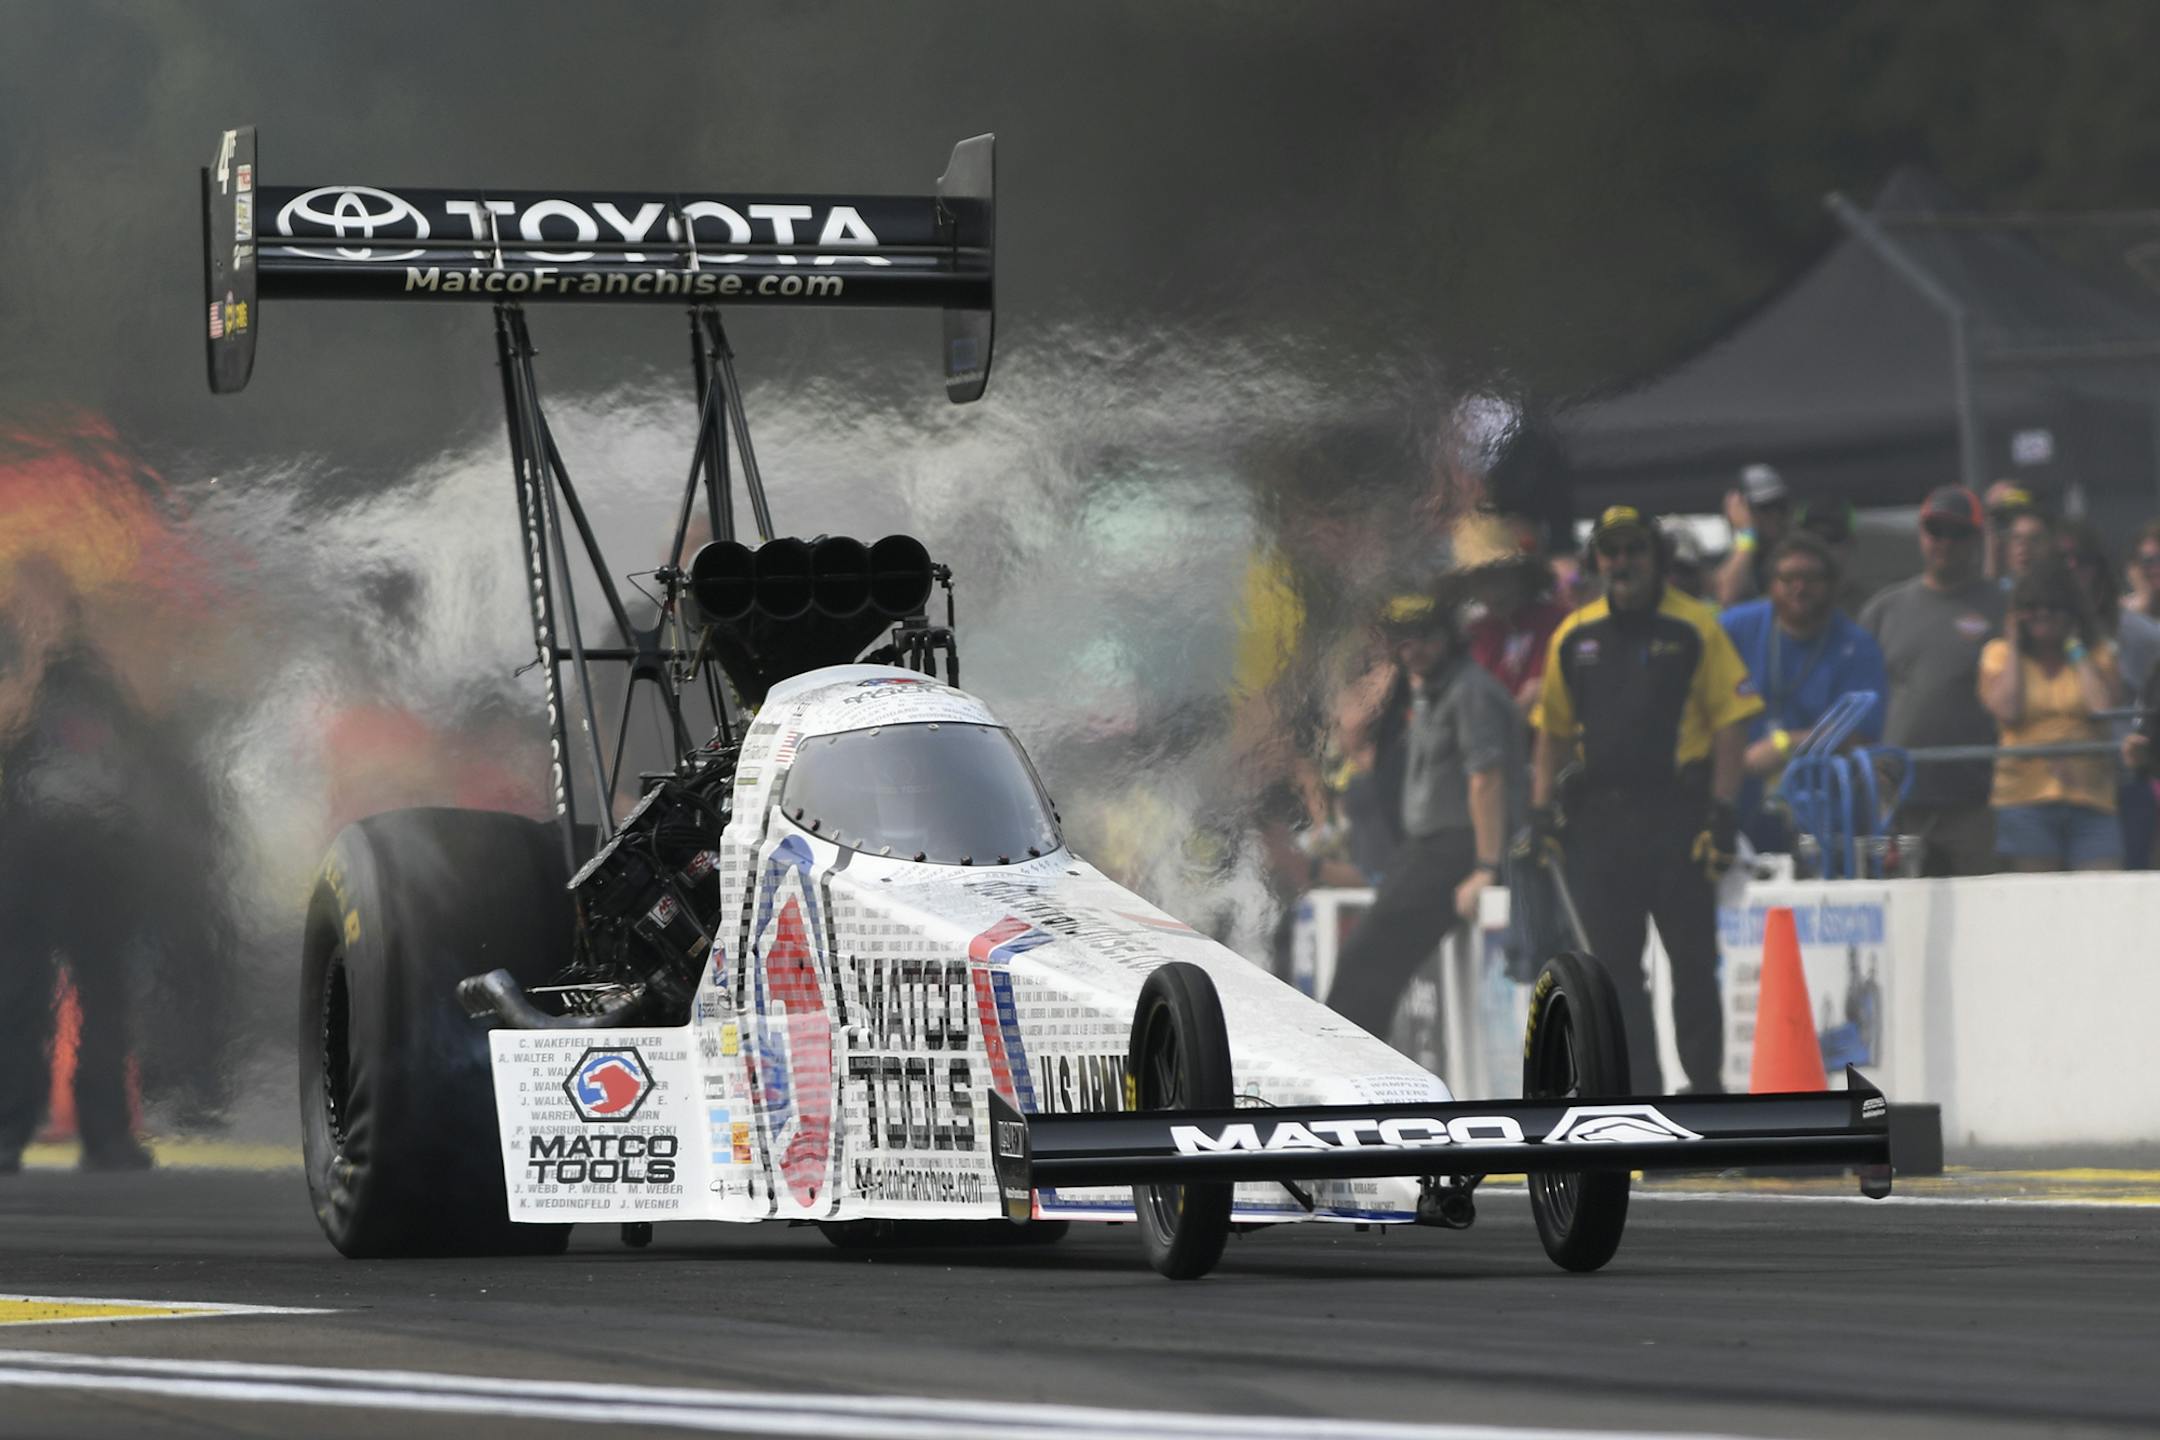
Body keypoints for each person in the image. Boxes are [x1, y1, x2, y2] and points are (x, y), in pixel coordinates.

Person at [1526, 505, 1760, 1095]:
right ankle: (1641, 1098)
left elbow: (1731, 723)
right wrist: (1537, 812)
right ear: (1596, 561)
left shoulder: (1695, 627)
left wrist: (1724, 812)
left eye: (1634, 550)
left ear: (1657, 557)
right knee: (1615, 976)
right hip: (1600, 827)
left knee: (1693, 965)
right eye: (1611, 551)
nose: (1622, 562)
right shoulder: (1573, 635)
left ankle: (1705, 1092)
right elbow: (1550, 731)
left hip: (1677, 820)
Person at [0, 560, 157, 1174]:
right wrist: (34, 660)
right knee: (17, 993)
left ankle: (107, 1134)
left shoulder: (94, 672)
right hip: (23, 852)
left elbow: (142, 725)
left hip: (96, 851)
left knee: (105, 991)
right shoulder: (13, 657)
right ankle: (8, 1127)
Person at [1326, 592, 1521, 1040]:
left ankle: (1353, 1078)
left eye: (1424, 637)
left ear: (1447, 638)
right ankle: (1358, 1073)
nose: (1412, 648)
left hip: (1453, 850)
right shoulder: (1432, 692)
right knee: (1366, 965)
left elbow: (1486, 779)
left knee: (1364, 961)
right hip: (1425, 850)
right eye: (1403, 639)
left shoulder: (1470, 691)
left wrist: (1485, 868)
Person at [1859, 487, 2005, 876]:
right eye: (1934, 530)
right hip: (1897, 796)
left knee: (1983, 906)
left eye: (1957, 533)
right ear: (1921, 536)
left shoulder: (2002, 606)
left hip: (1976, 796)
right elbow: (1858, 696)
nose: (1944, 542)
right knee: (1900, 910)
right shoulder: (1884, 608)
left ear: (1976, 540)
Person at [1718, 532, 1888, 852]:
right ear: (1770, 584)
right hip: (1738, 808)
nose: (1800, 587)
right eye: (1789, 578)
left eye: (1812, 578)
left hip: (1824, 819)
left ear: (1832, 585)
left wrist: (1785, 744)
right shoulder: (1734, 627)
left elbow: (1861, 735)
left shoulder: (1858, 646)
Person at [1979, 557, 2124, 872]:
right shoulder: (1998, 654)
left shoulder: (2098, 654)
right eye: (2032, 606)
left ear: (2071, 611)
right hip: (2024, 800)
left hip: (2092, 799)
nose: (2042, 613)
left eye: (2053, 605)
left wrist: (2075, 648)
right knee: (2037, 904)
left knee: (2102, 898)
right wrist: (2016, 646)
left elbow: (2101, 708)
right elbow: (2008, 710)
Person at [2060, 521, 2160, 868]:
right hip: (2057, 783)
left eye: (2081, 561)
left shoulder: (2140, 632)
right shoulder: (2037, 622)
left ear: (2098, 569)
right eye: (2064, 561)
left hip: (2123, 779)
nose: (2073, 571)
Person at [1464, 535, 1570, 720]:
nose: (1493, 593)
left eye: (1500, 579)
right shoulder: (1476, 633)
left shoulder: (1558, 622)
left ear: (1522, 578)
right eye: (1483, 581)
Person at [1714, 463, 1793, 607]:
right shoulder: (1735, 554)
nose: (1774, 515)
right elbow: (1727, 596)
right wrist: (1747, 532)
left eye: (1779, 506)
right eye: (1764, 508)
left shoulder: (1799, 549)